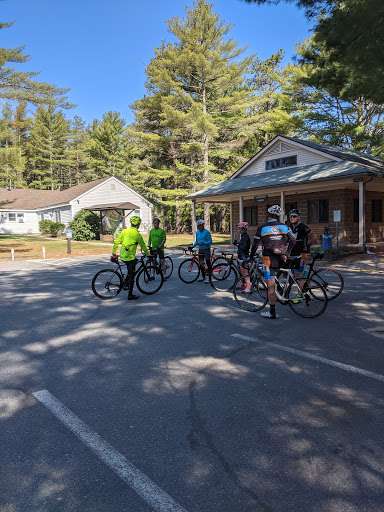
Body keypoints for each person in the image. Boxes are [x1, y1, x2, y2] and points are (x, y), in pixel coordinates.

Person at [249, 205, 296, 319]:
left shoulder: (262, 228)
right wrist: (287, 253)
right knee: (280, 276)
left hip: (268, 259)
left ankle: (272, 312)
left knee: (270, 287)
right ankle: (282, 292)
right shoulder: (285, 226)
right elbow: (293, 240)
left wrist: (251, 256)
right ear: (278, 216)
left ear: (268, 215)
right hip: (282, 258)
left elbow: (255, 244)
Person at [111, 216, 150, 300]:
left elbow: (117, 241)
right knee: (132, 276)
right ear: (138, 225)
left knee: (134, 263)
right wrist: (148, 255)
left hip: (123, 255)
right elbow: (143, 246)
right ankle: (130, 295)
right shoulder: (137, 234)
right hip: (129, 257)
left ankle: (127, 279)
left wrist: (114, 252)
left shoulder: (124, 231)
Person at [288, 208, 318, 285]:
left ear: (299, 217)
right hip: (292, 253)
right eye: (290, 216)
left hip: (301, 253)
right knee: (289, 272)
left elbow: (314, 238)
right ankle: (304, 276)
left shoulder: (303, 227)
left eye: (294, 216)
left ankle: (300, 294)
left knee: (298, 276)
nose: (292, 218)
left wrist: (307, 246)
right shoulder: (289, 227)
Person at [190, 219, 212, 284]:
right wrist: (192, 246)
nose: (199, 227)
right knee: (201, 263)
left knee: (208, 262)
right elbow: (197, 241)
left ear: (203, 225)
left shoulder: (206, 232)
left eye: (200, 226)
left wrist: (204, 243)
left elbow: (210, 241)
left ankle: (209, 277)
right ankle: (203, 277)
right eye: (198, 226)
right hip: (201, 249)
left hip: (206, 249)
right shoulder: (197, 232)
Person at [233, 221, 251, 292]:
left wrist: (237, 244)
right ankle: (242, 284)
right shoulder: (243, 237)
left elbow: (245, 247)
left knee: (245, 273)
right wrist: (237, 243)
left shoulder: (246, 237)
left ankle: (248, 287)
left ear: (244, 229)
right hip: (241, 256)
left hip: (244, 256)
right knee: (241, 272)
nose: (239, 230)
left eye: (240, 228)